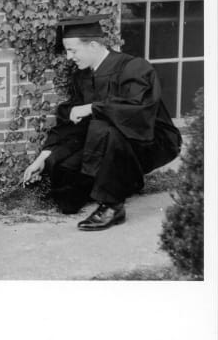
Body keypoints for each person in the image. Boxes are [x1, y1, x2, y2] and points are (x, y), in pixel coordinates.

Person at [23, 14, 182, 231]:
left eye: (72, 50)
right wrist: (45, 156)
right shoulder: (83, 77)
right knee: (67, 196)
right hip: (110, 141)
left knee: (104, 126)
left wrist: (92, 108)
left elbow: (137, 111)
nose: (69, 57)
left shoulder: (134, 67)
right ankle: (119, 182)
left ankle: (113, 206)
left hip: (153, 140)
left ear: (94, 45)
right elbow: (73, 122)